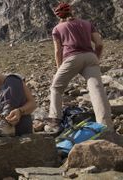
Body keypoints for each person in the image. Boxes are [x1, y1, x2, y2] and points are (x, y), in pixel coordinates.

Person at [44, 2, 114, 134]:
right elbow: (99, 44)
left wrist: (59, 68)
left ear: (59, 16)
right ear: (72, 12)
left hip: (72, 58)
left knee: (56, 88)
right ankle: (106, 127)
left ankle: (54, 122)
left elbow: (58, 51)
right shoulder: (87, 24)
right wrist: (95, 59)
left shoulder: (57, 28)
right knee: (97, 90)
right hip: (90, 57)